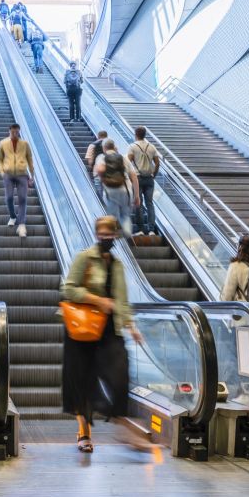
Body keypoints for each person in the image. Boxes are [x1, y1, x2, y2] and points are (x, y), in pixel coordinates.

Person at [61, 216, 150, 453]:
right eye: (102, 234)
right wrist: (97, 299)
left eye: (110, 234)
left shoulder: (118, 265)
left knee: (120, 374)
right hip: (84, 329)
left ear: (116, 236)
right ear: (95, 234)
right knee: (83, 381)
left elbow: (122, 299)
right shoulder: (85, 258)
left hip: (110, 329)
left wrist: (131, 325)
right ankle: (84, 433)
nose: (106, 238)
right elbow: (68, 288)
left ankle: (122, 423)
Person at [93, 140, 139, 236]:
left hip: (110, 191)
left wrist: (103, 179)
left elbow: (100, 170)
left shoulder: (101, 157)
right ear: (114, 147)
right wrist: (137, 196)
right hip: (126, 190)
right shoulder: (124, 158)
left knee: (112, 217)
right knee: (125, 216)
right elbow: (134, 176)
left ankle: (116, 240)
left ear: (104, 148)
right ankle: (126, 236)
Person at [0, 122, 35, 238]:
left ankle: (21, 225)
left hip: (22, 174)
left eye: (17, 132)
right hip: (8, 174)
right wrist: (2, 172)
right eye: (13, 132)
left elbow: (30, 159)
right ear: (9, 131)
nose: (15, 134)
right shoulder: (3, 143)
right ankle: (13, 216)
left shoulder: (25, 144)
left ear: (19, 132)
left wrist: (32, 175)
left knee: (23, 198)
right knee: (8, 197)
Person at [126, 127, 161, 236]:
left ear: (136, 134)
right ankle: (151, 230)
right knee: (150, 204)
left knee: (138, 203)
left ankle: (141, 230)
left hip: (138, 178)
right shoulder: (151, 147)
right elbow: (157, 163)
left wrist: (129, 177)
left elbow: (128, 162)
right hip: (149, 179)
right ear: (145, 134)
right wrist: (153, 175)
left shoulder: (132, 146)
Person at [85, 131, 108, 201]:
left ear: (98, 136)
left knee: (99, 192)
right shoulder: (111, 145)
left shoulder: (92, 145)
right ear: (107, 136)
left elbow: (89, 159)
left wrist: (92, 166)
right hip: (110, 172)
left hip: (97, 172)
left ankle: (101, 207)